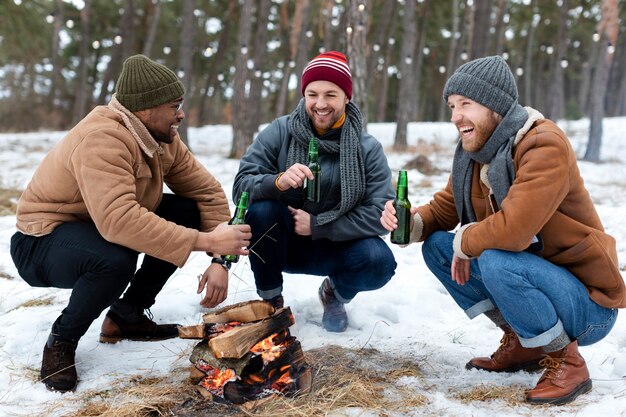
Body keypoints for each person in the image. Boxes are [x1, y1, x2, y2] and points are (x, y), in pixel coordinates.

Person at [381, 55, 624, 405]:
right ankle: (524, 344)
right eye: (452, 106)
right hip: (531, 277)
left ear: (495, 105)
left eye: (466, 104)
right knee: (436, 246)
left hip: (588, 306)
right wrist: (408, 221)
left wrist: (467, 242)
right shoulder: (473, 152)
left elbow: (516, 229)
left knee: (496, 257)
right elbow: (445, 209)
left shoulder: (543, 144)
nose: (455, 117)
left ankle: (567, 361)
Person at [10, 54, 252, 393]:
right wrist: (208, 241)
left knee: (184, 209)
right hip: (42, 242)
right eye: (174, 106)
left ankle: (126, 315)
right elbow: (118, 221)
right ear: (145, 108)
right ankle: (60, 342)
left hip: (94, 229)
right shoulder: (102, 138)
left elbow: (206, 191)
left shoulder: (160, 137)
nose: (180, 114)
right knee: (112, 261)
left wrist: (221, 260)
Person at [232, 51, 397, 333]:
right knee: (261, 210)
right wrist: (277, 182)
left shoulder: (367, 148)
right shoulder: (280, 131)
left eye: (331, 95)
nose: (320, 104)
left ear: (347, 97)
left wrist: (320, 226)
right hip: (281, 245)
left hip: (338, 245)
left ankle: (334, 294)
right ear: (304, 95)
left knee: (379, 261)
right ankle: (271, 303)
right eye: (312, 94)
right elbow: (241, 186)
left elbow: (380, 214)